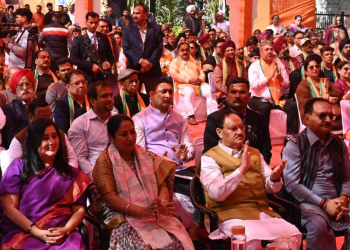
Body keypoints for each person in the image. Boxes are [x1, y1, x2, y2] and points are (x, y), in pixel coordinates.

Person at [199, 111, 302, 249]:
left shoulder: (254, 153)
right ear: (219, 132)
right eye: (233, 128)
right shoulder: (209, 158)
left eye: (241, 127)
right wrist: (241, 170)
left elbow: (272, 189)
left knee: (293, 235)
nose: (239, 132)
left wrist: (274, 178)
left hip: (260, 211)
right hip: (227, 214)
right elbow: (217, 194)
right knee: (249, 239)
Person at [92, 115, 194, 250]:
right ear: (111, 137)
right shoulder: (104, 162)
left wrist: (161, 204)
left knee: (177, 240)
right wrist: (140, 211)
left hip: (152, 211)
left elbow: (161, 185)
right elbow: (110, 199)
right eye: (123, 134)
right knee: (143, 246)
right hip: (121, 215)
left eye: (132, 132)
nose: (130, 138)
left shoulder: (145, 155)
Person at [0, 118, 91, 249]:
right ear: (33, 141)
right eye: (44, 138)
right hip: (24, 231)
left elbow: (79, 210)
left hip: (61, 235)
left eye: (54, 136)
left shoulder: (71, 174)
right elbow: (9, 208)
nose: (51, 142)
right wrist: (37, 232)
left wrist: (66, 230)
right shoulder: (18, 168)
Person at [282, 98, 350, 250]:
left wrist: (344, 197)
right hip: (308, 202)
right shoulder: (295, 144)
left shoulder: (339, 143)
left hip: (339, 200)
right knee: (318, 226)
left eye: (331, 116)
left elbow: (347, 178)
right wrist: (324, 204)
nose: (328, 120)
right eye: (322, 116)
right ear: (306, 119)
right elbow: (292, 184)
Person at [204, 77, 272, 163]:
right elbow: (210, 152)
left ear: (249, 96)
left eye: (242, 92)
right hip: (224, 170)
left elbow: (265, 152)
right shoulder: (214, 119)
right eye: (233, 92)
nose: (237, 96)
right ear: (226, 95)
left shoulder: (260, 119)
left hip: (253, 168)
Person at [4, 99, 78, 173]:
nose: (47, 120)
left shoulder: (60, 135)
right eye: (43, 117)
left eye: (49, 116)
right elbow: (14, 169)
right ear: (30, 117)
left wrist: (67, 175)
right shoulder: (19, 139)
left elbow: (72, 158)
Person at [133, 77, 194, 165]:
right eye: (163, 91)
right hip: (153, 171)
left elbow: (188, 146)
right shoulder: (139, 119)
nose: (168, 96)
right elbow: (139, 153)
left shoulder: (180, 119)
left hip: (178, 169)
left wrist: (185, 156)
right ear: (151, 95)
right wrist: (158, 161)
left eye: (170, 92)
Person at [248, 40, 299, 136]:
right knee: (265, 107)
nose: (270, 51)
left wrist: (281, 80)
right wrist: (268, 78)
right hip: (258, 99)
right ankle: (262, 136)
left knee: (293, 106)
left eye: (271, 49)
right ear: (260, 52)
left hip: (278, 98)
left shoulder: (278, 64)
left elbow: (287, 84)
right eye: (266, 49)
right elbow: (253, 86)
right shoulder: (254, 66)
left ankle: (291, 136)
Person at [68, 81, 115, 178]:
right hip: (95, 173)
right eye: (104, 96)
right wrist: (98, 178)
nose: (110, 99)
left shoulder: (117, 120)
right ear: (92, 101)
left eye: (111, 95)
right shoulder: (80, 124)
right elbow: (80, 159)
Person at [169, 42, 217, 125]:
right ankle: (190, 116)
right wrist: (188, 80)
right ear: (179, 52)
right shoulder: (175, 62)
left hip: (197, 84)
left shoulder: (194, 61)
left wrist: (200, 79)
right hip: (183, 85)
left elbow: (201, 72)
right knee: (189, 91)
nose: (185, 52)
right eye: (182, 50)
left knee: (209, 90)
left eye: (187, 50)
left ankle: (212, 115)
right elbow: (174, 74)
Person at [123, 4, 163, 93]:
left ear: (146, 14)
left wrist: (149, 63)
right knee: (133, 97)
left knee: (154, 96)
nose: (134, 16)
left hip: (152, 70)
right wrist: (140, 61)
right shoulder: (128, 29)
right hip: (134, 69)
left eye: (138, 13)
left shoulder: (156, 28)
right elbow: (126, 49)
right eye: (133, 13)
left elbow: (159, 47)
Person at [296, 55, 342, 131]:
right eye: (311, 67)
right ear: (306, 72)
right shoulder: (303, 85)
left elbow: (337, 93)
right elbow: (305, 102)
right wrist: (323, 98)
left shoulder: (325, 81)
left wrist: (329, 96)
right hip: (312, 113)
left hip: (330, 112)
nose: (315, 69)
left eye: (317, 66)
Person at [70, 12, 114, 85]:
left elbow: (110, 57)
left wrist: (109, 63)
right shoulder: (79, 39)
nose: (93, 25)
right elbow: (74, 59)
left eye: (96, 22)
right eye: (91, 22)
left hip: (101, 76)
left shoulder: (104, 38)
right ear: (86, 22)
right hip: (85, 76)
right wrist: (90, 66)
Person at [1, 69, 35, 149]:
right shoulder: (8, 109)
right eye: (21, 85)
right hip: (20, 149)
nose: (25, 88)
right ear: (15, 88)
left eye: (27, 84)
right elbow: (12, 137)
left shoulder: (40, 105)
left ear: (32, 86)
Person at [54, 69, 90, 134]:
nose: (81, 85)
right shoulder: (61, 106)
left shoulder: (92, 101)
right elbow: (63, 133)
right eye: (77, 83)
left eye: (83, 82)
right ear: (68, 87)